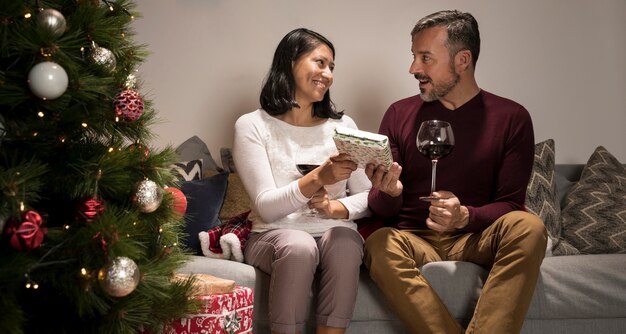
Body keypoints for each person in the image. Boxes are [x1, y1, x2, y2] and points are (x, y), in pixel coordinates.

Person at [363, 10, 547, 334]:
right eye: (413, 57)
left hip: (476, 238)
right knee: (379, 244)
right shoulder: (398, 113)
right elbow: (381, 205)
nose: (413, 68)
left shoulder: (512, 118)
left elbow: (510, 204)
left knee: (529, 227)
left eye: (425, 58)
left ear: (462, 60)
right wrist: (390, 192)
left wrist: (464, 216)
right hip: (414, 237)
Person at [233, 28, 371, 334]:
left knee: (346, 243)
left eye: (332, 67)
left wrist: (333, 207)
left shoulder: (344, 127)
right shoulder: (253, 126)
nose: (328, 74)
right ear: (290, 63)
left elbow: (367, 197)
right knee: (299, 246)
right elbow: (267, 207)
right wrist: (319, 177)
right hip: (273, 234)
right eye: (320, 63)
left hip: (332, 232)